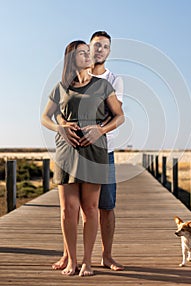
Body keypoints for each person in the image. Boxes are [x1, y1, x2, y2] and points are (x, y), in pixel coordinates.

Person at [41, 40, 124, 276]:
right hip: (66, 150)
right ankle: (72, 261)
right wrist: (60, 128)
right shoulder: (61, 87)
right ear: (71, 59)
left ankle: (87, 261)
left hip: (94, 150)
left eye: (89, 52)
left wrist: (101, 130)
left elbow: (119, 116)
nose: (88, 55)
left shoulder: (103, 86)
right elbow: (45, 117)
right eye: (82, 53)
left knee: (90, 207)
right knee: (68, 209)